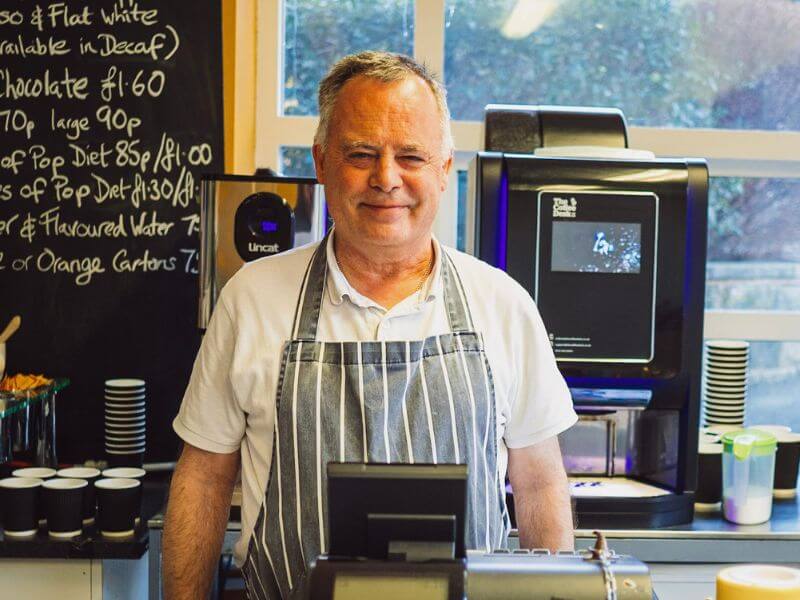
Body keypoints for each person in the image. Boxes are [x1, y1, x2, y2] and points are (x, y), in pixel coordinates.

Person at [162, 51, 577, 600]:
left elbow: (539, 483)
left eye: (410, 155)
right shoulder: (252, 299)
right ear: (321, 162)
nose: (387, 179)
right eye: (361, 153)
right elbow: (204, 478)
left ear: (444, 170)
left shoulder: (501, 303)